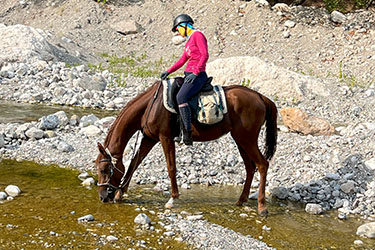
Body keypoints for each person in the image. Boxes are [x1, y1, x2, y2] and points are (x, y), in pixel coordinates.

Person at [160, 14, 209, 145]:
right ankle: (178, 129)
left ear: (185, 25)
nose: (178, 32)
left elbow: (205, 55)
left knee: (181, 97)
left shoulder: (198, 35)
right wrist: (168, 71)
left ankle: (188, 132)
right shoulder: (189, 41)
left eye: (178, 29)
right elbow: (182, 60)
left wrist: (196, 71)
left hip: (197, 75)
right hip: (189, 74)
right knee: (174, 92)